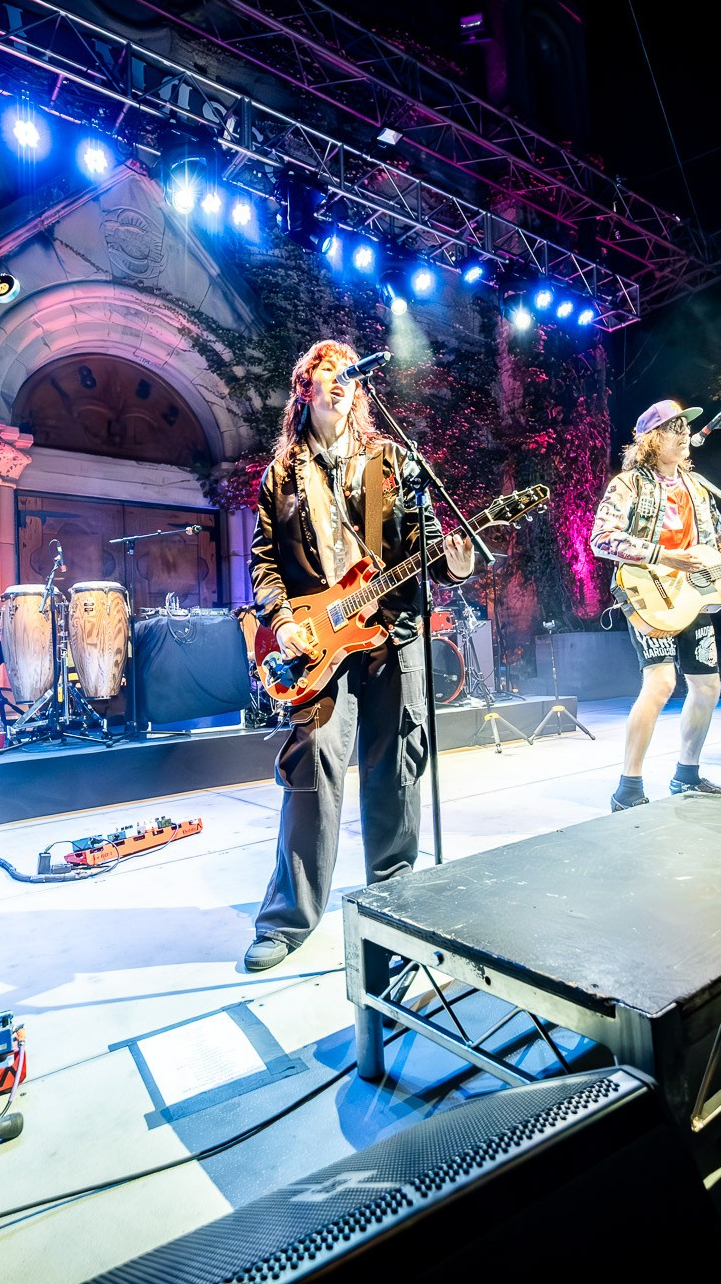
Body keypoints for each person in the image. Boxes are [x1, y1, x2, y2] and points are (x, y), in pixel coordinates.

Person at [243, 340, 475, 971]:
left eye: (347, 375)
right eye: (325, 375)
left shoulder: (390, 461)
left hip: (392, 629)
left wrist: (454, 566)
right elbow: (264, 558)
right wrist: (283, 616)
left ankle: (396, 902)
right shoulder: (282, 474)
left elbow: (424, 544)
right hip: (318, 636)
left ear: (360, 391)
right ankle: (289, 919)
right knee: (312, 762)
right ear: (304, 391)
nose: (339, 383)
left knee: (395, 761)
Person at [589, 400, 721, 810]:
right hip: (647, 592)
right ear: (652, 440)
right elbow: (600, 538)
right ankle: (628, 788)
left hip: (693, 597)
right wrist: (663, 556)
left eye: (686, 429)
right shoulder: (629, 484)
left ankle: (687, 775)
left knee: (708, 685)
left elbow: (719, 547)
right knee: (661, 683)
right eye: (675, 428)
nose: (685, 435)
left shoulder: (698, 487)